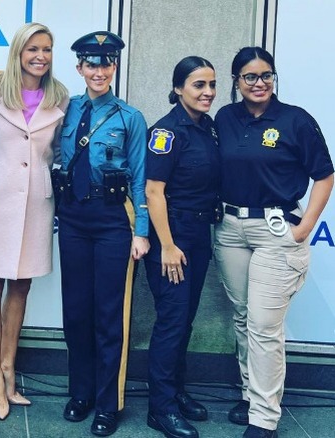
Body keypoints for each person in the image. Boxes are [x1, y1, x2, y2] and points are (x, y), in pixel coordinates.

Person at [214, 46, 333, 438]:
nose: (259, 83)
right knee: (243, 317)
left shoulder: (296, 120)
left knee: (264, 326)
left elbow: (325, 176)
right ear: (236, 81)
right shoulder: (225, 117)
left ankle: (264, 418)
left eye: (266, 75)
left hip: (276, 230)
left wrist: (305, 226)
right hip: (231, 229)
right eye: (250, 76)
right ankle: (251, 395)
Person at [0, 22, 69, 420]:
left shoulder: (60, 95)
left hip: (37, 205)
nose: (40, 56)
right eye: (33, 49)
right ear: (18, 52)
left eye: (46, 49)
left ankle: (10, 367)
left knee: (21, 287)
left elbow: (59, 150)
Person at [57, 31, 150, 437]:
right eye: (91, 63)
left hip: (113, 220)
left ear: (114, 67)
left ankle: (108, 403)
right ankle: (81, 393)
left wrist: (141, 231)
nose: (99, 71)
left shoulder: (129, 117)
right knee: (76, 311)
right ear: (79, 67)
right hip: (73, 218)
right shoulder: (65, 111)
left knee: (110, 314)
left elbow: (141, 179)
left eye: (106, 63)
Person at [144, 56, 220, 438]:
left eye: (212, 84)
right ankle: (160, 408)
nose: (208, 92)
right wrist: (168, 246)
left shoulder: (208, 127)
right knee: (171, 321)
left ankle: (175, 391)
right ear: (178, 88)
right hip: (172, 237)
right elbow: (153, 192)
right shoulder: (166, 132)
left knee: (185, 320)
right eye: (198, 85)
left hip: (199, 234)